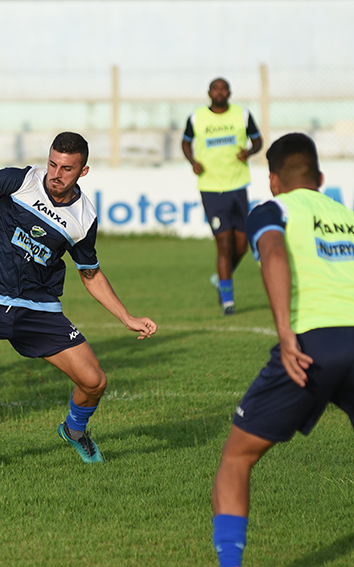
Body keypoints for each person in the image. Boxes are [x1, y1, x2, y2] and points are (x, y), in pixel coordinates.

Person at [0, 132, 157, 474]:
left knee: (95, 382)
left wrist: (127, 317)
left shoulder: (84, 219)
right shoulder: (22, 180)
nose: (55, 173)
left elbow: (90, 274)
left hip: (38, 310)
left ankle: (74, 430)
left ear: (83, 171)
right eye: (52, 163)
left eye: (66, 168)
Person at [211, 133, 354, 567]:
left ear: (272, 180)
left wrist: (286, 335)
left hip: (312, 344)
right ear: (321, 178)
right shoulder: (346, 215)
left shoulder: (273, 210)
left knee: (236, 458)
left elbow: (273, 254)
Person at [182, 78, 263, 315]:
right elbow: (185, 143)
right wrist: (193, 162)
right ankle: (228, 300)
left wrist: (249, 151)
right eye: (215, 88)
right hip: (211, 187)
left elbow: (258, 140)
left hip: (238, 185)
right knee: (224, 243)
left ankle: (220, 278)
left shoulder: (243, 114)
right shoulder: (197, 117)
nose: (219, 92)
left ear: (229, 92)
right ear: (209, 92)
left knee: (241, 244)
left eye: (223, 88)